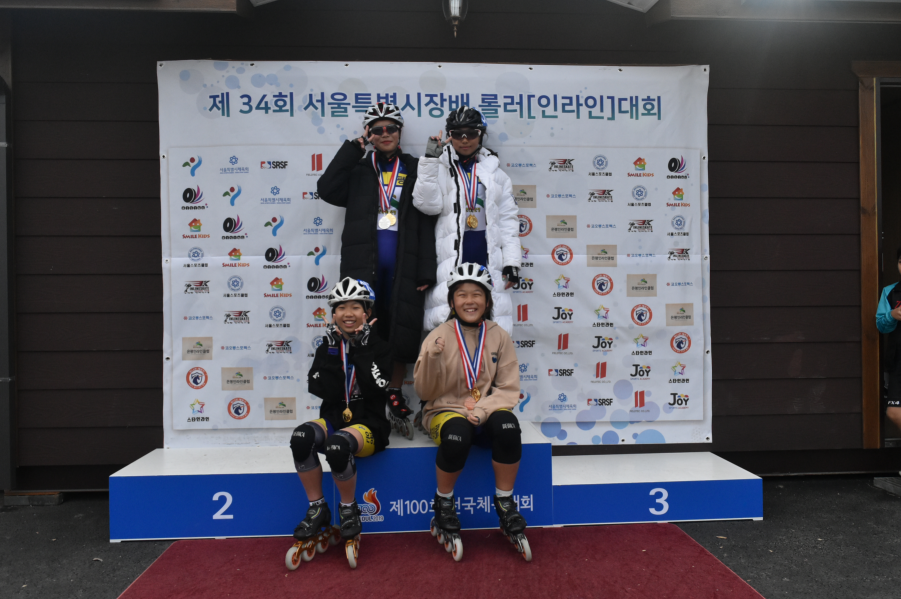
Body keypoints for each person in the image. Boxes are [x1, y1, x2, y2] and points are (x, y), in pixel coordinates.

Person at [317, 102, 438, 438]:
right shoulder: (358, 168)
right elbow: (326, 189)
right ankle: (364, 393)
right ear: (369, 133)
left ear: (400, 132)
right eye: (377, 129)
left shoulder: (414, 167)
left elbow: (428, 218)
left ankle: (395, 392)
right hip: (362, 265)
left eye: (391, 128)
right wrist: (353, 149)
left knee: (401, 328)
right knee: (362, 329)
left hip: (404, 264)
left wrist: (426, 269)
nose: (385, 134)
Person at [413, 263, 531, 561]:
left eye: (477, 294)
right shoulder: (438, 335)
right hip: (444, 409)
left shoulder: (499, 336)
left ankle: (505, 502)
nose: (469, 301)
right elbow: (425, 393)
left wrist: (483, 409)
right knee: (457, 435)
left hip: (485, 409)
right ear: (452, 301)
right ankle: (443, 503)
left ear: (487, 301)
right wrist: (431, 358)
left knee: (508, 427)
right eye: (462, 294)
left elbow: (508, 388)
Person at [287, 278, 393, 569]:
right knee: (300, 437)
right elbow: (323, 390)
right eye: (341, 307)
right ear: (333, 314)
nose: (348, 313)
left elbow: (377, 387)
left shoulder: (380, 347)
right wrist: (334, 352)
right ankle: (317, 508)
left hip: (369, 423)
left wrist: (362, 348)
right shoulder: (328, 347)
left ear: (366, 313)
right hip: (336, 418)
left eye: (355, 307)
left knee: (336, 446)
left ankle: (348, 509)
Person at [412, 106, 521, 336]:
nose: (464, 139)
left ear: (481, 135)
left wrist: (512, 261)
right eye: (457, 133)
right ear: (449, 135)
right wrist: (430, 161)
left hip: (486, 253)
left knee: (490, 324)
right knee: (448, 325)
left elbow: (508, 221)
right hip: (451, 255)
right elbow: (427, 206)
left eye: (471, 133)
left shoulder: (497, 174)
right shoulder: (439, 167)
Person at [875, 247, 901, 462]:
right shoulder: (890, 291)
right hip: (897, 361)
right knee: (893, 412)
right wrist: (892, 314)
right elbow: (881, 326)